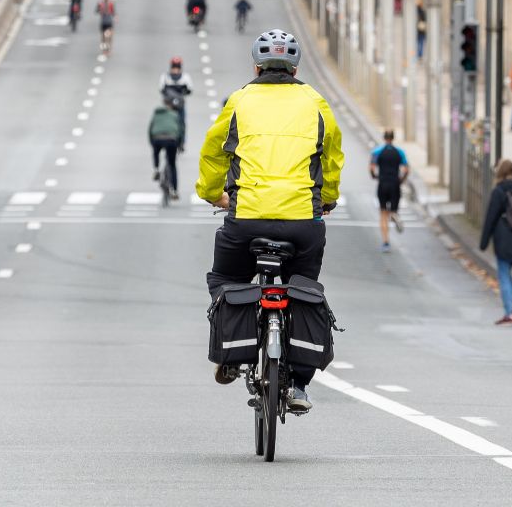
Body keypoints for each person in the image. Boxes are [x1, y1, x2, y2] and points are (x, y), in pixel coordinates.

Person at [199, 29, 343, 415]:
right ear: (295, 68)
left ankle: (233, 351)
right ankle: (298, 383)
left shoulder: (239, 101)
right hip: (303, 222)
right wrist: (326, 198)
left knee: (223, 280)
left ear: (256, 66)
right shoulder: (316, 103)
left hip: (247, 218)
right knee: (304, 288)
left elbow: (214, 152)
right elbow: (331, 158)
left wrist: (212, 193)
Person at [477, 158, 512, 325]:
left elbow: (490, 218)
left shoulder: (499, 191)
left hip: (503, 238)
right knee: (509, 274)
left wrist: (484, 242)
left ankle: (509, 312)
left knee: (503, 275)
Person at [368, 131, 409, 252]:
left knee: (383, 213)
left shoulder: (377, 151)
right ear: (393, 138)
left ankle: (386, 242)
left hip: (383, 183)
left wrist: (374, 176)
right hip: (395, 183)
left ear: (384, 138)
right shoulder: (400, 152)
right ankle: (395, 215)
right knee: (393, 210)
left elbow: (372, 167)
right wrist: (401, 180)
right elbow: (406, 169)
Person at [148, 102, 185, 198]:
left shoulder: (156, 114)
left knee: (156, 152)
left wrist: (152, 143)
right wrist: (181, 145)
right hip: (171, 140)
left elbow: (150, 129)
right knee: (172, 164)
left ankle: (156, 169)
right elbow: (180, 130)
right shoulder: (175, 115)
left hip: (157, 138)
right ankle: (174, 191)